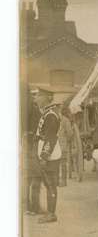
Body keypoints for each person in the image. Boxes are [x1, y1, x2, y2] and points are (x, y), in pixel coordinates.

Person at [32, 88, 62, 223]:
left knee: (50, 184)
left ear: (47, 98)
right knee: (48, 183)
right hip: (45, 151)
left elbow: (51, 138)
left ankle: (51, 214)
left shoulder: (50, 115)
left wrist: (44, 156)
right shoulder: (47, 113)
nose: (36, 98)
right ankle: (50, 212)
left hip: (50, 155)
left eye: (39, 95)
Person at [26, 88, 43, 215]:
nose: (36, 97)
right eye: (35, 95)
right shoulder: (34, 110)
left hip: (28, 143)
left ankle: (28, 206)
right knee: (36, 176)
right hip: (33, 144)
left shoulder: (27, 108)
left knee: (28, 178)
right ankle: (35, 207)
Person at [57, 107, 74, 187]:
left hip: (62, 145)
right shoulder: (53, 119)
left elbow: (70, 133)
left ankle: (63, 181)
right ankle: (56, 180)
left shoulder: (65, 120)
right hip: (54, 145)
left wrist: (65, 141)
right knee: (55, 164)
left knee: (63, 163)